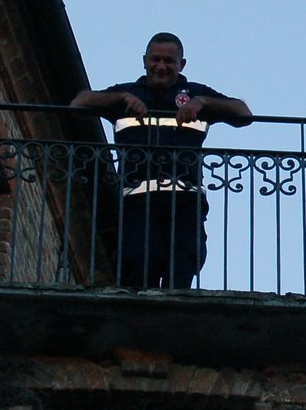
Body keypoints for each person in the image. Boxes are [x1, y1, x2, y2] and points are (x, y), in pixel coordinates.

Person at [71, 32, 252, 289]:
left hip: (185, 201)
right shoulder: (127, 92)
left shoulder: (196, 93)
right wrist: (120, 100)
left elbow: (243, 114)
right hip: (136, 202)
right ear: (144, 61)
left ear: (182, 65)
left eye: (169, 61)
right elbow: (78, 104)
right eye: (155, 59)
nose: (161, 66)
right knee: (136, 264)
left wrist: (201, 103)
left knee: (183, 263)